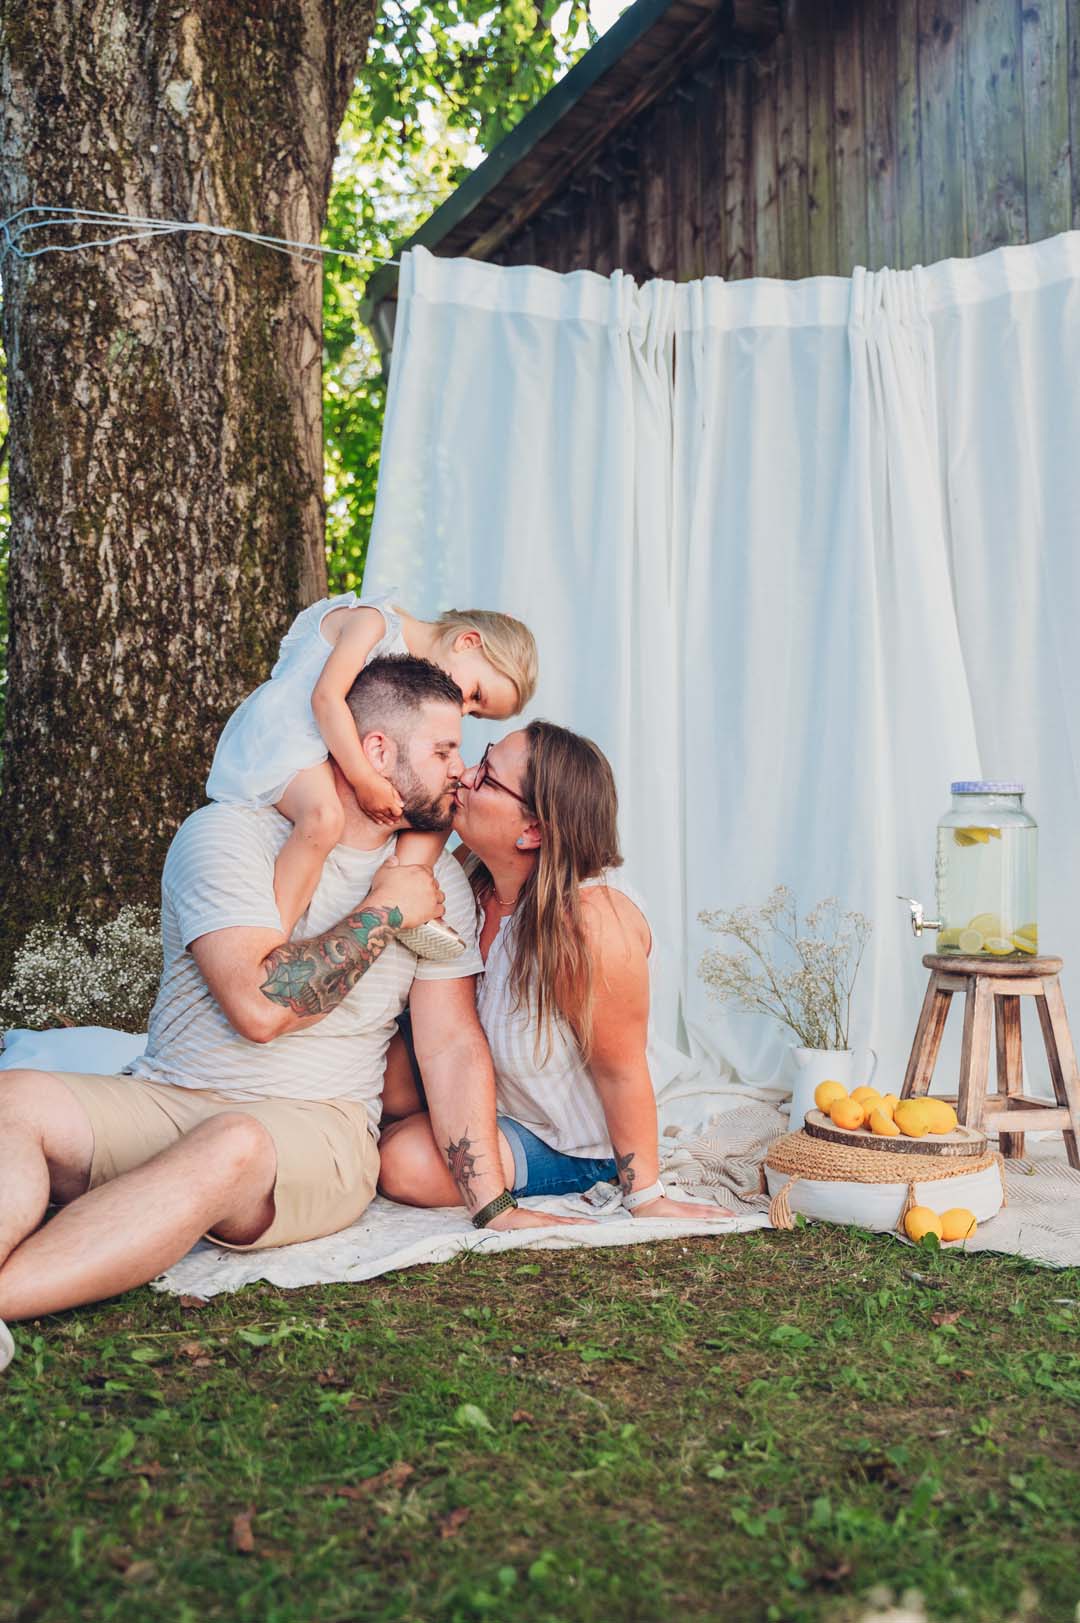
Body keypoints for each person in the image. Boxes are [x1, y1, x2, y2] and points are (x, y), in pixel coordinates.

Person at [0, 657, 573, 1374]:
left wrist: (491, 1204)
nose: (461, 770)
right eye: (444, 750)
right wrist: (384, 910)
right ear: (376, 751)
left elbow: (452, 1045)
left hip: (319, 1130)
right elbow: (260, 1007)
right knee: (17, 1096)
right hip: (169, 1096)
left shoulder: (439, 885)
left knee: (232, 1141)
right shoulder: (225, 836)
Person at [379, 720, 732, 1221]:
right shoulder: (474, 874)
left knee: (403, 1163)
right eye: (482, 758)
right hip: (489, 1098)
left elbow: (621, 1071)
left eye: (486, 777)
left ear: (533, 831)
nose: (464, 774)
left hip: (562, 1136)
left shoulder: (590, 923)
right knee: (384, 1078)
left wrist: (646, 1197)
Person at [206, 592, 538, 954]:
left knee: (443, 803)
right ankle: (272, 936)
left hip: (333, 742)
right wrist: (364, 779)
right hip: (289, 736)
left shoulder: (417, 677)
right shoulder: (373, 622)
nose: (462, 709)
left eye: (473, 713)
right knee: (324, 818)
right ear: (468, 642)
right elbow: (325, 699)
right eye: (475, 695)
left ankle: (402, 881)